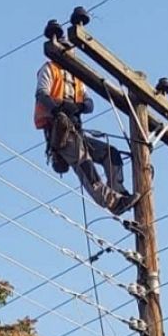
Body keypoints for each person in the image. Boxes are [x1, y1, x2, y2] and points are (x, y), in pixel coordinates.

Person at [34, 14, 141, 216]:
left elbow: (89, 102)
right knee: (85, 164)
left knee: (111, 153)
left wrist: (79, 108)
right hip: (60, 131)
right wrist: (59, 108)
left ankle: (119, 193)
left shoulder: (76, 77)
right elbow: (41, 94)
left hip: (76, 129)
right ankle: (113, 202)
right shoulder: (49, 69)